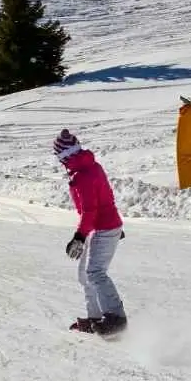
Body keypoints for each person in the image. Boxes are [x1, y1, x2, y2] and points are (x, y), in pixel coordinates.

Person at [56, 130, 127, 336]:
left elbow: (90, 211)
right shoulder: (88, 167)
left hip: (103, 227)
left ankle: (116, 317)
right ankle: (96, 319)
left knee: (95, 272)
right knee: (84, 274)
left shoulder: (84, 174)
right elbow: (106, 196)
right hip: (102, 227)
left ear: (64, 156)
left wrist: (79, 237)